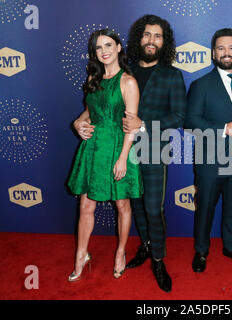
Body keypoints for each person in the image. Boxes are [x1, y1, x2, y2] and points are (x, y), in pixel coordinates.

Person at [74, 15, 187, 292]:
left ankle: (158, 260)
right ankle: (145, 246)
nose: (152, 40)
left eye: (158, 36)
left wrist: (144, 124)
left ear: (165, 41)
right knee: (134, 207)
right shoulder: (125, 69)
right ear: (138, 39)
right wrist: (80, 120)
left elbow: (179, 116)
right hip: (116, 148)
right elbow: (100, 103)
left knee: (152, 207)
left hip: (151, 150)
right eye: (147, 35)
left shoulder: (172, 75)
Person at [67, 28, 143, 282]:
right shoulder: (93, 78)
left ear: (119, 47)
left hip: (119, 147)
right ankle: (81, 254)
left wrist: (123, 158)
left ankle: (120, 252)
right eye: (99, 48)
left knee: (122, 204)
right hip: (94, 147)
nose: (104, 51)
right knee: (86, 204)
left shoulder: (128, 81)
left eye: (108, 45)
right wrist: (78, 123)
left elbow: (131, 125)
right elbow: (89, 111)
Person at [185, 28, 232, 273]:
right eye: (220, 48)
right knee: (205, 208)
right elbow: (191, 121)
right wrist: (223, 129)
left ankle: (230, 246)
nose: (226, 53)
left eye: (231, 48)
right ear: (213, 54)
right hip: (211, 160)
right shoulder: (201, 85)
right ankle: (201, 250)